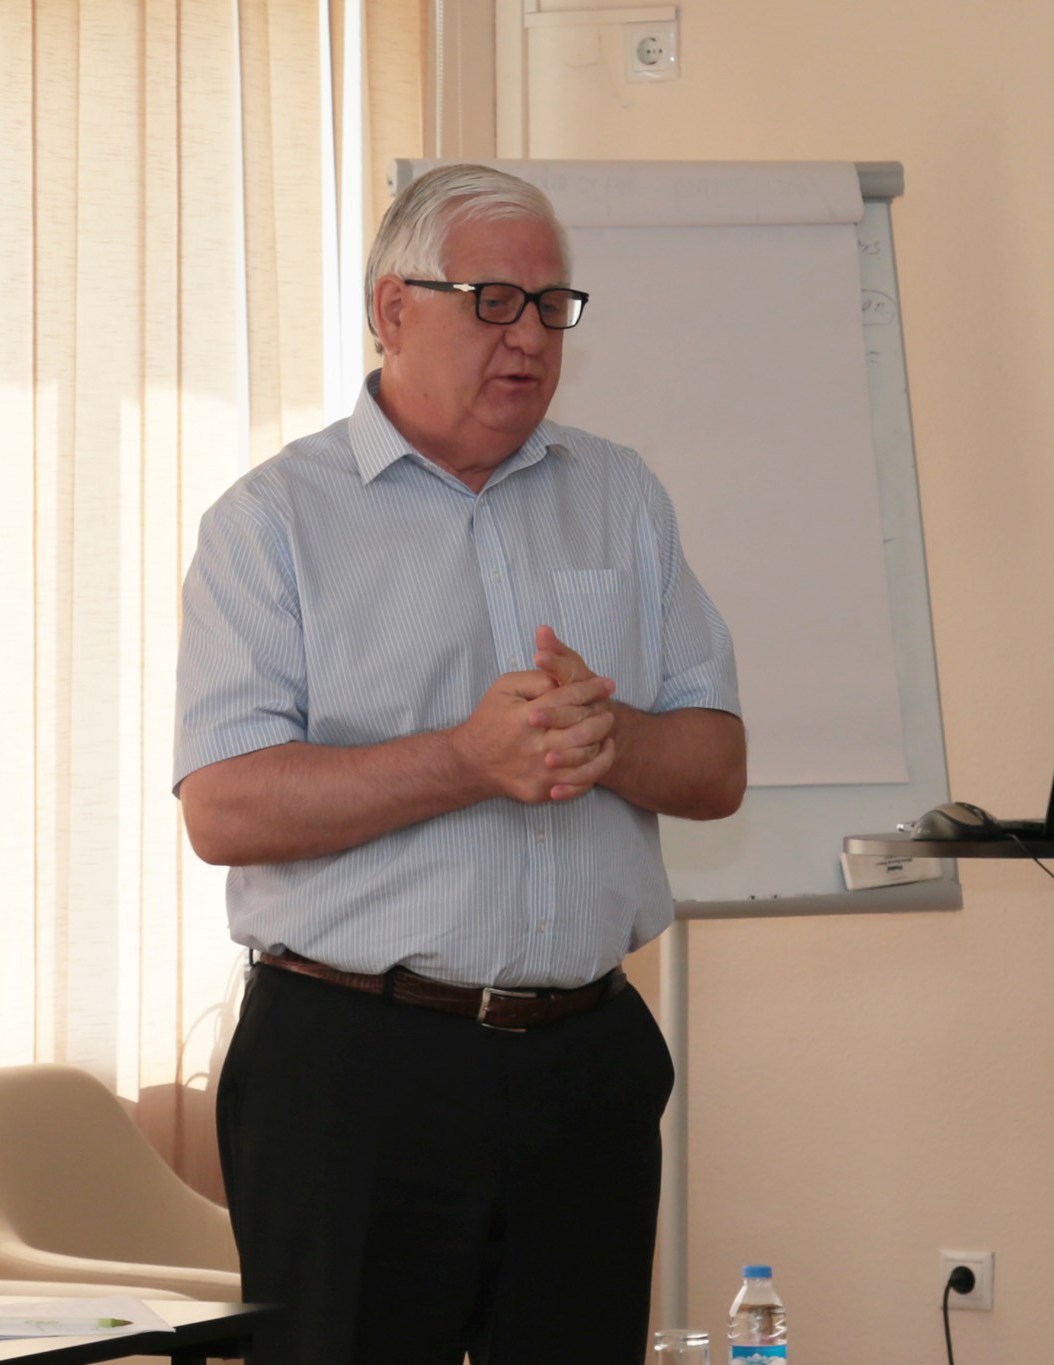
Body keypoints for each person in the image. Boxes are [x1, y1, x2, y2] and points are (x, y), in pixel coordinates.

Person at [173, 163, 746, 1364]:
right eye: (493, 301)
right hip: (355, 1071)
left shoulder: (619, 496)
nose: (528, 336)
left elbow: (714, 765)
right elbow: (224, 808)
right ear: (393, 310)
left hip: (583, 1064)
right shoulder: (270, 524)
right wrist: (467, 759)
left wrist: (608, 738)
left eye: (550, 306)